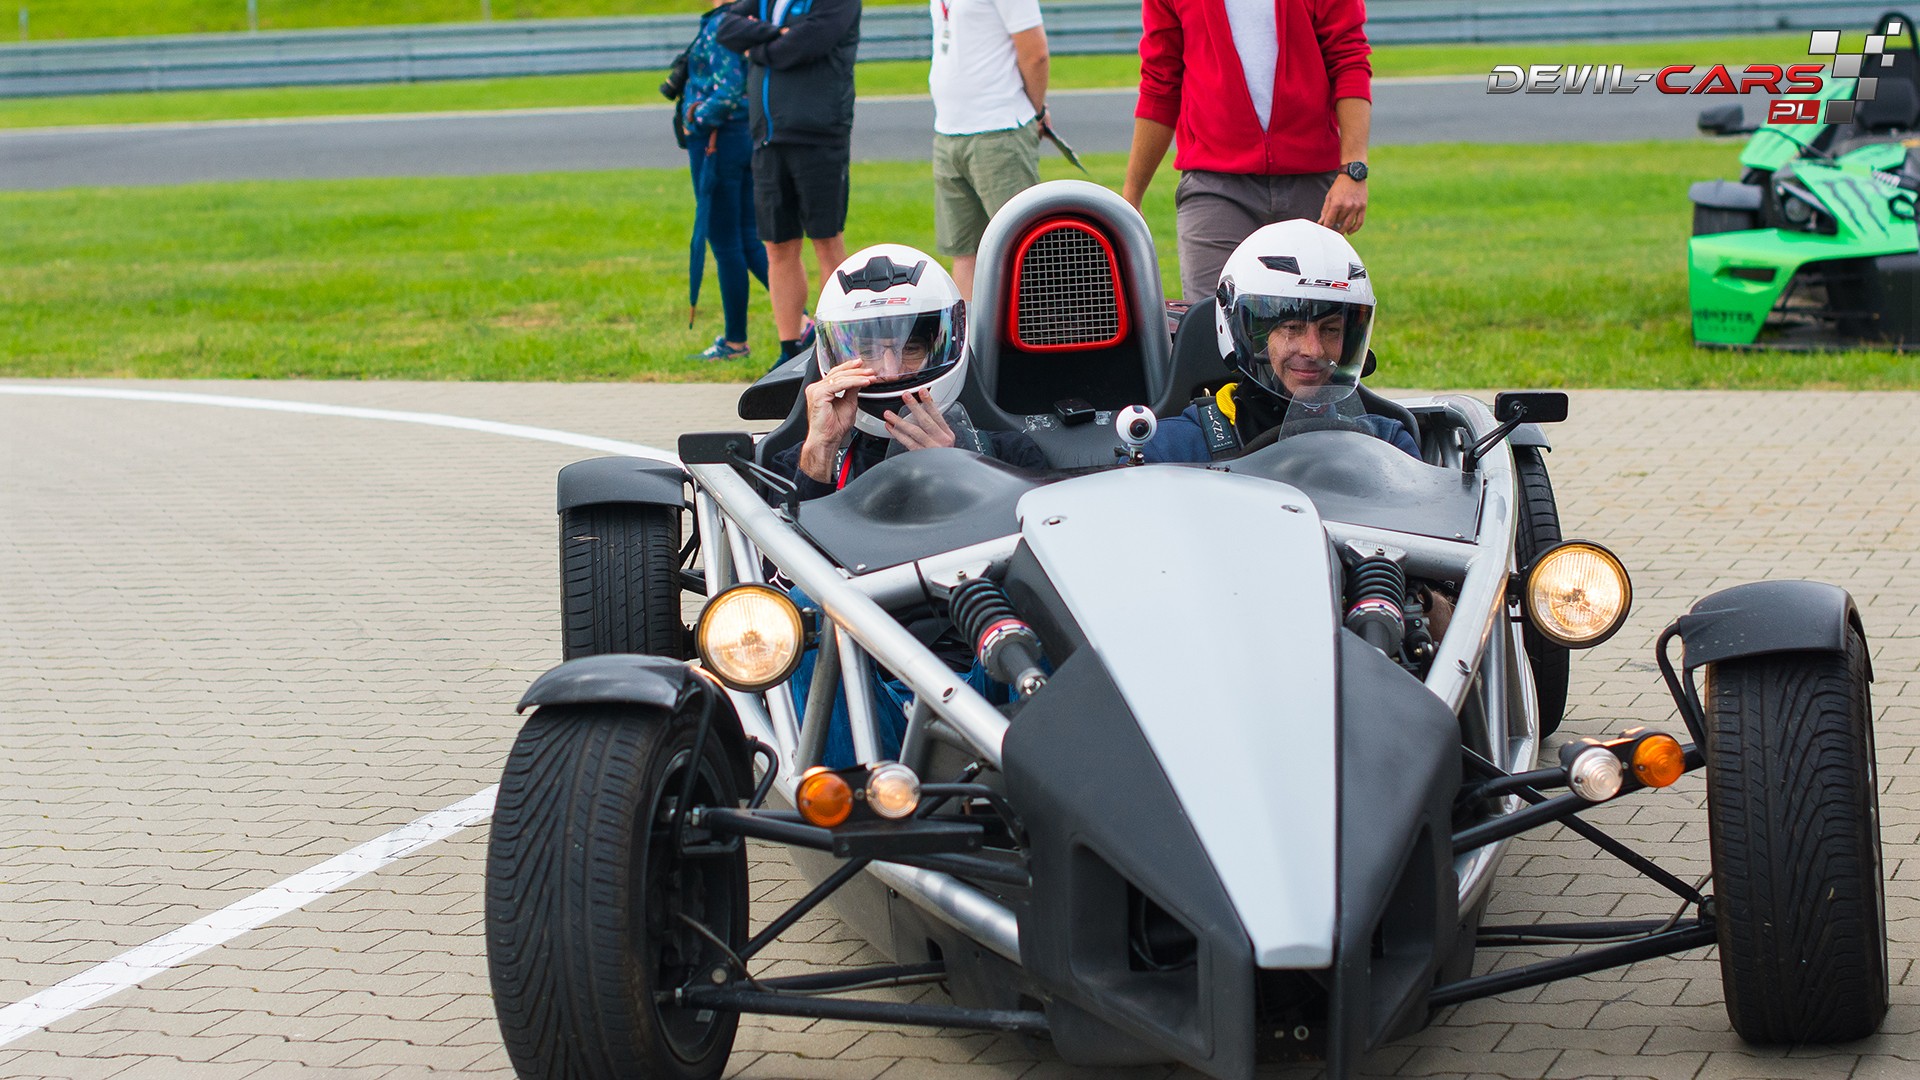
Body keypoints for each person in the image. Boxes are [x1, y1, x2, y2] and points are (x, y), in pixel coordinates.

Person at [1121, 0, 1372, 303]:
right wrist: (1131, 199)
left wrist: (1353, 171)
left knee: (1318, 320)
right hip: (1215, 188)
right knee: (1214, 320)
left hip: (1312, 183)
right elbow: (1161, 81)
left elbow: (1349, 60)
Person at [770, 244, 1044, 499]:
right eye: (870, 352)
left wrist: (953, 470)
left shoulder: (1011, 457)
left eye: (910, 349)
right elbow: (784, 535)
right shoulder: (795, 466)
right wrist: (821, 451)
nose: (890, 372)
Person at [1144, 220, 1418, 462]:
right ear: (1247, 335)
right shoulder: (1173, 448)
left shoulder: (1386, 445)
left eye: (1331, 330)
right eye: (1292, 328)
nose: (1314, 350)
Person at [716, 0, 861, 363]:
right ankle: (788, 349)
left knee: (827, 242)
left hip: (819, 137)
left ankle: (834, 350)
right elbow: (725, 27)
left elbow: (801, 46)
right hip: (768, 138)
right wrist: (773, 33)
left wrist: (756, 47)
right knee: (778, 246)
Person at [668, 0, 771, 360]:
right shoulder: (746, 19)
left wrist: (694, 117)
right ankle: (802, 321)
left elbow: (727, 90)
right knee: (749, 238)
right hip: (743, 136)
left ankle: (735, 341)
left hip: (716, 141)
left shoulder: (723, 24)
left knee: (726, 243)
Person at [928, 0, 1050, 300]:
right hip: (949, 130)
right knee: (964, 253)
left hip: (999, 130)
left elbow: (1035, 54)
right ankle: (969, 331)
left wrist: (1035, 112)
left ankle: (1033, 328)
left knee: (1023, 250)